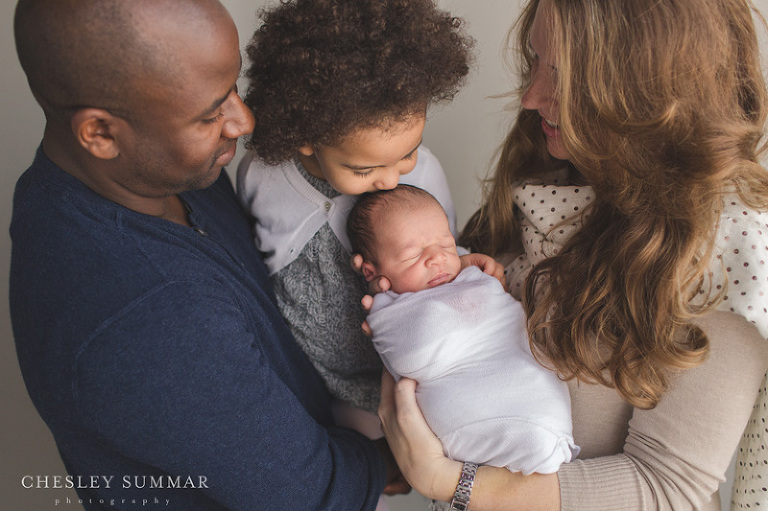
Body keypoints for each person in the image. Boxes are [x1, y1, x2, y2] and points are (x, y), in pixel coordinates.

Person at [375, 0, 768, 510]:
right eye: (535, 61)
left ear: (647, 87)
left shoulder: (725, 242)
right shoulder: (565, 168)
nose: (530, 96)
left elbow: (669, 489)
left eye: (563, 76)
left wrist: (449, 480)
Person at [10, 0, 402, 509]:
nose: (243, 121)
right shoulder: (146, 315)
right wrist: (399, 458)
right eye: (210, 113)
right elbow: (308, 495)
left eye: (233, 90)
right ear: (101, 133)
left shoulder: (140, 174)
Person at [236, 0, 473, 440]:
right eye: (363, 170)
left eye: (407, 153)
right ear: (306, 136)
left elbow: (445, 260)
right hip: (304, 380)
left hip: (400, 377)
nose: (389, 180)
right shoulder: (262, 177)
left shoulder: (422, 177)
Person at [347, 184, 579, 476]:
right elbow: (413, 356)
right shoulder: (390, 310)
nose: (437, 258)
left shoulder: (472, 275)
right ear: (371, 272)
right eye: (412, 255)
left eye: (445, 245)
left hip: (531, 392)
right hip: (470, 417)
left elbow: (503, 318)